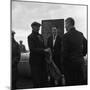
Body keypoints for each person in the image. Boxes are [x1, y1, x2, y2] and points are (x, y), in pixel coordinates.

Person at [62, 17, 87, 86]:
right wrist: (83, 54)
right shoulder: (80, 34)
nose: (65, 27)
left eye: (65, 24)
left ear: (68, 24)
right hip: (80, 65)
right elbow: (86, 44)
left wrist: (63, 67)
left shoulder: (65, 36)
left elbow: (64, 53)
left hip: (70, 66)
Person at [27, 22, 49, 88]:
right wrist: (44, 50)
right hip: (35, 63)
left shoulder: (41, 36)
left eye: (39, 27)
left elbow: (43, 46)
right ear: (33, 27)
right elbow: (32, 49)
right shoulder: (30, 37)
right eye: (37, 27)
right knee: (37, 81)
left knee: (43, 81)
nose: (39, 28)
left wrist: (47, 48)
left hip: (42, 62)